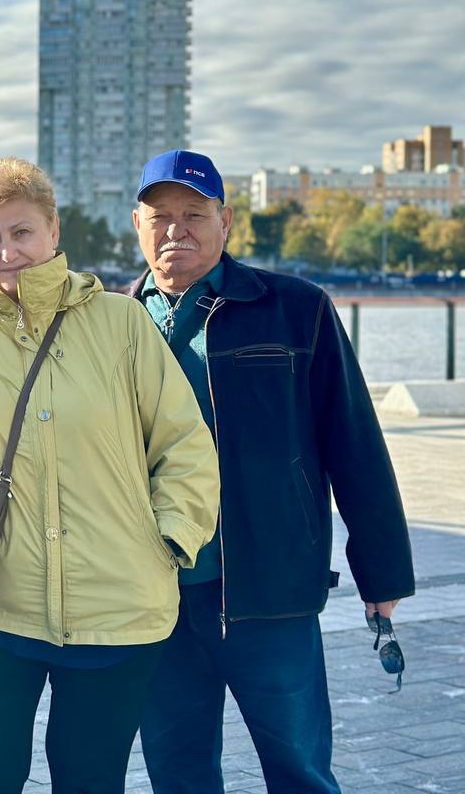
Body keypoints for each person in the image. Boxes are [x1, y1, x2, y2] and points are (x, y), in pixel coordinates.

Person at [0, 157, 221, 794]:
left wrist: (168, 541)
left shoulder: (121, 322)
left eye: (21, 232)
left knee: (91, 780)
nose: (7, 252)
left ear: (52, 229)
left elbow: (184, 443)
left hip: (117, 607)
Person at [129, 150, 416, 793]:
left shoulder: (296, 307)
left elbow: (354, 442)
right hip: (153, 591)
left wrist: (383, 572)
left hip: (269, 585)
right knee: (176, 773)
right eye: (161, 215)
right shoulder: (111, 321)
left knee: (299, 770)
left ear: (226, 222)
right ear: (137, 225)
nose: (176, 229)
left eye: (194, 214)